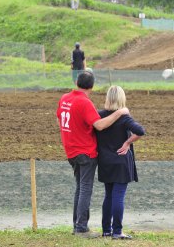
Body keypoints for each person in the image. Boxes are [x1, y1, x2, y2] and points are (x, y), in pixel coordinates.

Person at [56, 71, 130, 238]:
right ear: (92, 87)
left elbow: (59, 119)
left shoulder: (64, 98)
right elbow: (99, 125)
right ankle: (81, 228)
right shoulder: (84, 102)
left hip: (70, 150)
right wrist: (119, 112)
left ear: (76, 82)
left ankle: (77, 225)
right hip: (85, 152)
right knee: (85, 189)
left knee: (79, 187)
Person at [96, 85, 145, 240]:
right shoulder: (124, 117)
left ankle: (106, 230)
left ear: (108, 98)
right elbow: (140, 131)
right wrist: (127, 143)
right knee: (118, 196)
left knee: (108, 196)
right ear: (122, 99)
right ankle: (117, 232)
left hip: (104, 161)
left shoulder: (99, 116)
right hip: (120, 162)